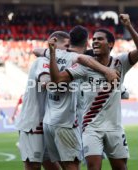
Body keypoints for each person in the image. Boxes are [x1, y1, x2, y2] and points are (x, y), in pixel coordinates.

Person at [48, 14, 138, 170]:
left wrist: (128, 25)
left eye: (100, 39)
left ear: (111, 44)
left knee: (121, 168)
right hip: (91, 128)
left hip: (115, 127)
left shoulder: (120, 62)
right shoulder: (85, 66)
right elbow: (57, 80)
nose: (95, 41)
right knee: (93, 167)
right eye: (93, 39)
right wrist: (52, 54)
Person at [43, 25, 120, 170]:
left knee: (58, 165)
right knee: (73, 165)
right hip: (68, 122)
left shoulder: (52, 55)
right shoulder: (81, 60)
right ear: (87, 43)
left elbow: (37, 51)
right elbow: (78, 61)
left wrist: (51, 52)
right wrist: (106, 70)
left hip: (49, 120)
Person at [14, 31, 70, 170]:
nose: (68, 50)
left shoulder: (59, 65)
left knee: (53, 166)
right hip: (34, 123)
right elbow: (45, 81)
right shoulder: (43, 61)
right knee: (33, 166)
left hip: (49, 124)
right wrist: (67, 85)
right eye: (66, 46)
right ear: (53, 43)